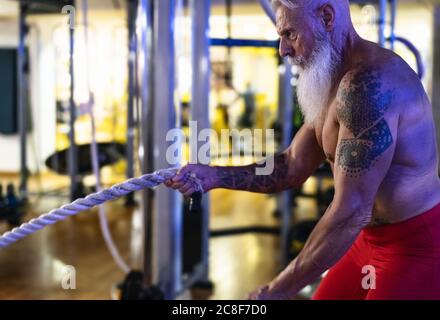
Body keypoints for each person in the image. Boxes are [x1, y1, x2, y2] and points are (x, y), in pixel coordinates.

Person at [166, 0, 440, 299]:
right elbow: (293, 164)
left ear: (326, 17)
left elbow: (351, 212)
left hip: (415, 246)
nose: (282, 49)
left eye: (290, 34)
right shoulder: (333, 80)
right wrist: (214, 177)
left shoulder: (366, 85)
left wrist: (278, 289)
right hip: (364, 240)